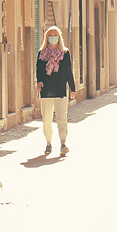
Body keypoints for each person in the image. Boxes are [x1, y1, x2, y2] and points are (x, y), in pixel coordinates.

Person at [35, 25, 76, 153]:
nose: (53, 38)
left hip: (60, 90)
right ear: (47, 38)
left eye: (55, 35)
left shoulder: (65, 53)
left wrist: (73, 89)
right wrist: (39, 82)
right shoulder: (42, 53)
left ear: (59, 38)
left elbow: (69, 72)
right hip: (46, 91)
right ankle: (48, 143)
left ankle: (63, 143)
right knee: (47, 119)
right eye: (50, 35)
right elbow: (39, 70)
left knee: (61, 118)